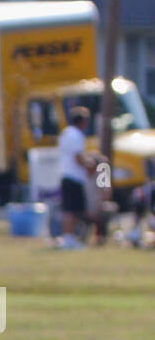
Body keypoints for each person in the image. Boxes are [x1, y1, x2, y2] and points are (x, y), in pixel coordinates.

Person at [58, 106, 105, 249]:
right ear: (83, 121)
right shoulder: (76, 135)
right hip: (74, 176)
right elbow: (78, 157)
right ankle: (69, 238)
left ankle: (69, 237)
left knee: (69, 209)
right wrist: (91, 163)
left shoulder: (66, 133)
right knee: (72, 210)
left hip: (65, 174)